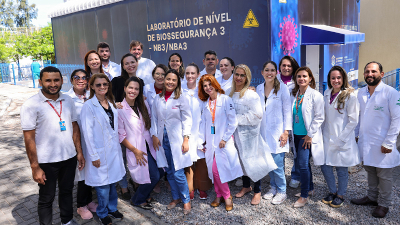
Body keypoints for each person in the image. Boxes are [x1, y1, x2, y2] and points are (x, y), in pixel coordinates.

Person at [21, 66, 85, 225]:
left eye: (56, 80)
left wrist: (79, 152)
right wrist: (35, 167)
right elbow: (29, 138)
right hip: (46, 161)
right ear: (40, 81)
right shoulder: (31, 105)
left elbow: (74, 126)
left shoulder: (68, 100)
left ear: (62, 81)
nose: (53, 84)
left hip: (69, 157)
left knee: (67, 191)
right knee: (46, 198)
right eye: (48, 80)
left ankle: (67, 220)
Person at [351, 61, 400, 218]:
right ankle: (372, 197)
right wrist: (356, 135)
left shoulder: (391, 93)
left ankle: (384, 204)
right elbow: (359, 117)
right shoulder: (361, 93)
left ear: (382, 74)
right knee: (370, 169)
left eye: (373, 71)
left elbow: (397, 119)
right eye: (367, 71)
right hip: (366, 141)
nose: (370, 74)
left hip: (383, 143)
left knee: (384, 175)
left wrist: (389, 142)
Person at [229, 64, 277, 205]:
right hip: (235, 135)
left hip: (249, 135)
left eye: (242, 75)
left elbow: (257, 115)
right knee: (241, 161)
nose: (238, 77)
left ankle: (257, 191)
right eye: (236, 74)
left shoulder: (251, 95)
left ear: (247, 78)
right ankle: (246, 186)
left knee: (253, 162)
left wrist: (236, 120)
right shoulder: (229, 93)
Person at [81, 73, 125, 225]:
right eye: (98, 85)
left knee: (113, 183)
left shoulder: (111, 102)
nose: (102, 87)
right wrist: (93, 155)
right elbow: (87, 133)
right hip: (99, 152)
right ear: (92, 86)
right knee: (102, 187)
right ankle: (102, 212)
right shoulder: (88, 106)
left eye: (105, 84)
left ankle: (112, 208)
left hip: (113, 152)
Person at [118, 76, 165, 210]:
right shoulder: (120, 109)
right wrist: (135, 151)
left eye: (136, 89)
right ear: (125, 89)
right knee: (154, 175)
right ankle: (138, 199)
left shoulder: (143, 105)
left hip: (150, 145)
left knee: (161, 171)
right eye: (130, 88)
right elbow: (121, 136)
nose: (133, 91)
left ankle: (144, 194)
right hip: (137, 148)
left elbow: (151, 121)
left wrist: (155, 136)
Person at [198, 74, 243, 211]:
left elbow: (233, 121)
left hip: (223, 142)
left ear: (215, 84)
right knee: (213, 170)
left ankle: (226, 195)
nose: (207, 88)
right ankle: (218, 195)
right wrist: (201, 143)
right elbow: (203, 125)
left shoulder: (225, 99)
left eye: (209, 84)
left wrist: (225, 138)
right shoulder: (206, 104)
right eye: (204, 86)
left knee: (217, 171)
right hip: (211, 143)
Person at [150, 69, 193, 215]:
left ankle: (186, 199)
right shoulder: (157, 98)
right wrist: (154, 135)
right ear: (164, 80)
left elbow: (187, 118)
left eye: (174, 80)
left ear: (177, 82)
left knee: (178, 172)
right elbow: (154, 119)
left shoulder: (181, 98)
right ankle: (176, 198)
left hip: (177, 140)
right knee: (169, 171)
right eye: (168, 79)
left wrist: (186, 138)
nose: (170, 82)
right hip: (162, 140)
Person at [321, 66, 360, 208]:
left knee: (341, 169)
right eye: (333, 78)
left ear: (343, 78)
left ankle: (340, 194)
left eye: (338, 77)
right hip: (327, 137)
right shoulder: (326, 93)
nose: (336, 80)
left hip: (342, 139)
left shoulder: (350, 96)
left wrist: (341, 139)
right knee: (325, 167)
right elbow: (325, 117)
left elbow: (353, 121)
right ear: (329, 79)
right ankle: (332, 191)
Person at [256, 61, 292, 205]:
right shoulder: (258, 88)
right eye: (266, 70)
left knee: (277, 165)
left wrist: (286, 132)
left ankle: (282, 191)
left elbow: (287, 111)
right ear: (262, 72)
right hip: (263, 133)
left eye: (272, 70)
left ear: (276, 72)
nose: (269, 73)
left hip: (278, 134)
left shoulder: (282, 88)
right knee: (268, 163)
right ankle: (273, 187)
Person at [65, 69, 98, 220]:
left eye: (84, 77)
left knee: (90, 172)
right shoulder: (67, 98)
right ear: (72, 80)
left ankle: (88, 200)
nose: (81, 80)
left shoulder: (92, 95)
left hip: (92, 141)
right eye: (77, 77)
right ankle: (81, 205)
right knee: (82, 174)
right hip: (77, 141)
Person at [290, 67, 324, 208]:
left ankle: (304, 196)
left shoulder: (316, 95)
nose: (301, 79)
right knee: (303, 163)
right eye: (299, 76)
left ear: (310, 78)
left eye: (304, 76)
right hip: (296, 135)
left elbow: (320, 117)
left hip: (307, 137)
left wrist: (310, 135)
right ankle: (310, 189)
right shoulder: (295, 94)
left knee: (303, 164)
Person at [182, 63, 213, 200]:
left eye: (193, 73)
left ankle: (203, 188)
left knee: (201, 162)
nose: (190, 76)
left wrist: (204, 138)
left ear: (198, 75)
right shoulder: (180, 91)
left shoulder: (202, 93)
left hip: (200, 132)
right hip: (185, 133)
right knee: (188, 162)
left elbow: (206, 116)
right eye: (187, 73)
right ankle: (190, 188)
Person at [278, 56, 300, 189]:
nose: (286, 68)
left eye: (289, 66)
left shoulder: (297, 82)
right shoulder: (274, 81)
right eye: (284, 65)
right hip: (278, 123)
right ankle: (279, 176)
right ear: (279, 67)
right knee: (279, 151)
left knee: (296, 151)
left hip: (296, 122)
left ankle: (296, 176)